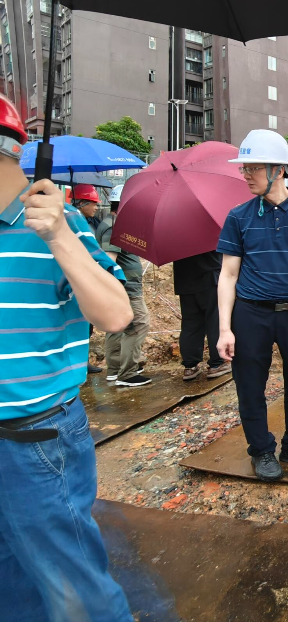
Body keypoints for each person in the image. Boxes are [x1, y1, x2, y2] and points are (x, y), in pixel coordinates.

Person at [0, 95, 134, 621]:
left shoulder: (64, 225)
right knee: (12, 587)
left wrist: (59, 235)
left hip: (37, 443)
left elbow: (116, 314)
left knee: (76, 594)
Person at [216, 129, 288, 482]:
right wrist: (225, 328)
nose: (246, 174)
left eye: (253, 167)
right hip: (250, 314)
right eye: (244, 167)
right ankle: (262, 450)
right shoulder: (238, 216)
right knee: (249, 383)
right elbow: (228, 275)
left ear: (278, 169)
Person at [96, 184, 152, 387]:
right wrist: (115, 290)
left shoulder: (111, 223)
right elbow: (109, 261)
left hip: (122, 287)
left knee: (118, 326)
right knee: (138, 325)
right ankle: (127, 373)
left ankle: (115, 369)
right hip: (125, 289)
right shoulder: (114, 226)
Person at [174, 250, 230, 381]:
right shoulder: (210, 230)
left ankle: (190, 366)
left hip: (185, 280)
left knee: (190, 324)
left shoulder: (175, 233)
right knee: (215, 320)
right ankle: (217, 363)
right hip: (210, 277)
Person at [70, 183, 106, 375]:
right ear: (81, 203)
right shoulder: (71, 223)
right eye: (92, 203)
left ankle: (82, 362)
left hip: (89, 278)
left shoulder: (92, 223)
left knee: (87, 324)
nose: (96, 207)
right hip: (75, 279)